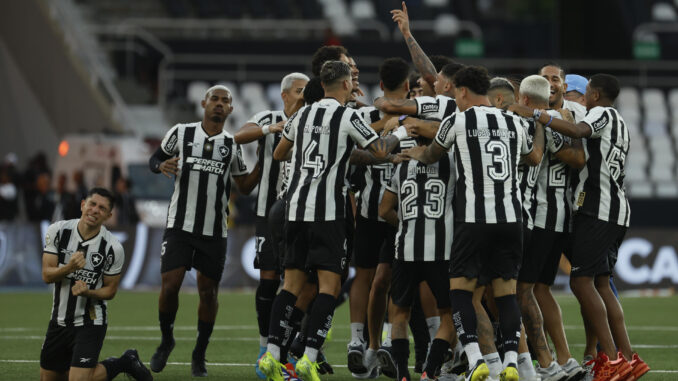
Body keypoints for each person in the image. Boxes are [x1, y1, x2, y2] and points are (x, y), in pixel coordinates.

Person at [258, 60, 411, 381]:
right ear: (345, 86)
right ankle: (309, 357)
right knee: (330, 285)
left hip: (295, 208)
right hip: (327, 213)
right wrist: (400, 131)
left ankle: (271, 355)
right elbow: (381, 150)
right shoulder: (348, 116)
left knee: (291, 285)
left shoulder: (301, 114)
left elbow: (279, 153)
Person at [404, 66, 544, 381]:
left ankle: (475, 358)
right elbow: (528, 156)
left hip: (474, 220)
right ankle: (510, 363)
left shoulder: (457, 121)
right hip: (511, 218)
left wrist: (416, 153)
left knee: (461, 292)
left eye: (455, 92)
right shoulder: (513, 122)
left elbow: (432, 154)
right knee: (506, 294)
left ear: (463, 91)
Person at [509, 74, 650, 381]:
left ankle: (612, 361)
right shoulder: (622, 122)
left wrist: (536, 115)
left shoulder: (599, 113)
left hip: (597, 208)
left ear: (595, 95)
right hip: (615, 210)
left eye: (585, 93)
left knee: (580, 283)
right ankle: (628, 358)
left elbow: (577, 130)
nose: (581, 98)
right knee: (601, 283)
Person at [148, 85, 261, 377]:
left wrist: (265, 160)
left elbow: (244, 185)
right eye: (215, 99)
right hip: (179, 226)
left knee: (208, 293)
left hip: (214, 231)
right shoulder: (181, 133)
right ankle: (166, 340)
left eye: (226, 101)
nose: (220, 104)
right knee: (169, 284)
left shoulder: (232, 144)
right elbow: (154, 159)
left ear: (231, 110)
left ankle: (200, 352)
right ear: (203, 103)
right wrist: (161, 165)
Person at [234, 71, 309, 378]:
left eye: (307, 90)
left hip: (303, 213)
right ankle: (266, 347)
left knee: (302, 284)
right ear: (285, 95)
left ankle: (290, 344)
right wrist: (270, 128)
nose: (304, 95)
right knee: (268, 280)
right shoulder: (270, 116)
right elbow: (238, 135)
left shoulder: (312, 119)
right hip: (268, 212)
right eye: (299, 90)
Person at [512, 75, 586, 381]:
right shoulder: (563, 119)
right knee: (538, 290)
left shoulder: (541, 121)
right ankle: (564, 359)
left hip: (539, 216)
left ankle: (542, 363)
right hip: (558, 217)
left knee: (520, 291)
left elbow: (577, 158)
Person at [346, 57, 416, 379]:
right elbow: (351, 154)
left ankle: (383, 343)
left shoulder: (417, 116)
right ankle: (360, 343)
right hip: (374, 207)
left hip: (404, 211)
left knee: (385, 276)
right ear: (406, 85)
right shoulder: (366, 116)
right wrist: (385, 154)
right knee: (369, 275)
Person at [40, 188, 152, 381]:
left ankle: (121, 364)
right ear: (83, 205)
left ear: (108, 216)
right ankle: (126, 360)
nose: (95, 210)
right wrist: (69, 268)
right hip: (58, 320)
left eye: (102, 208)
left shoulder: (113, 247)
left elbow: (110, 290)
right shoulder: (58, 230)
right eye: (92, 204)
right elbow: (47, 275)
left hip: (91, 322)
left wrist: (88, 292)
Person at [379, 134, 456, 381]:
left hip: (406, 249)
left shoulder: (402, 165)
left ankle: (402, 373)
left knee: (399, 313)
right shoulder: (451, 162)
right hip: (441, 251)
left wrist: (407, 224)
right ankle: (430, 370)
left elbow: (384, 210)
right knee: (451, 314)